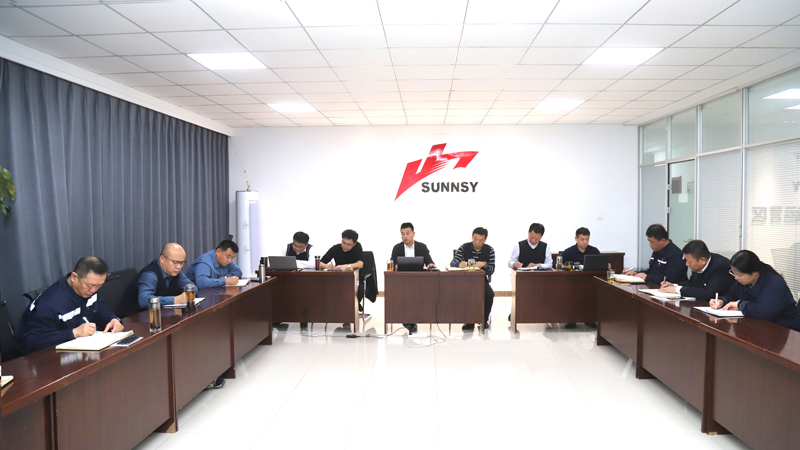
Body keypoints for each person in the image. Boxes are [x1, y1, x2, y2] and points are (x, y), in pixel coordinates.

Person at [15, 257, 124, 355]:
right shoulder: (49, 304)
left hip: (79, 350)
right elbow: (31, 342)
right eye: (89, 285)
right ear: (74, 277)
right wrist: (73, 333)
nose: (93, 290)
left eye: (99, 286)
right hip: (43, 358)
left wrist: (111, 319)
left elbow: (99, 307)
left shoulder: (89, 290)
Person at [710, 250, 800, 331]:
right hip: (757, 326)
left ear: (754, 273)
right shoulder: (742, 281)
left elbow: (763, 311)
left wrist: (740, 305)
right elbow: (731, 294)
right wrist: (722, 301)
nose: (736, 278)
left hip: (784, 329)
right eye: (734, 273)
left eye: (739, 275)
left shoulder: (775, 283)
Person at [119, 243, 190, 318]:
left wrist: (185, 295)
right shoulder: (150, 275)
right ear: (162, 259)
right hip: (133, 318)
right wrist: (175, 300)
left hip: (157, 316)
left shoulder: (175, 272)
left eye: (181, 263)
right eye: (175, 262)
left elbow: (192, 287)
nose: (179, 267)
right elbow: (144, 300)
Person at [390, 222, 436, 334]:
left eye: (408, 233)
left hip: (419, 281)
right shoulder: (397, 248)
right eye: (402, 234)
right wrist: (395, 266)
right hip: (402, 282)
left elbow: (429, 261)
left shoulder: (421, 247)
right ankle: (409, 322)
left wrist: (430, 265)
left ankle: (411, 321)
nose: (405, 236)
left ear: (413, 234)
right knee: (404, 295)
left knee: (415, 295)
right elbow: (393, 263)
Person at [451, 227, 495, 331]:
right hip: (465, 281)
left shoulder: (489, 250)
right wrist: (459, 264)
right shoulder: (464, 247)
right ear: (472, 237)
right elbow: (453, 263)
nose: (477, 242)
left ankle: (484, 320)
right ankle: (468, 321)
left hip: (481, 281)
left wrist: (485, 265)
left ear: (485, 240)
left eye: (480, 240)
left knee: (489, 294)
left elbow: (492, 270)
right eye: (475, 239)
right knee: (465, 293)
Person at [659, 240, 734, 299]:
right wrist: (674, 285)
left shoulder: (721, 265)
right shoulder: (697, 265)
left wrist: (678, 290)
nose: (687, 264)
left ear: (702, 260)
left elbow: (709, 293)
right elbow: (693, 283)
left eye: (689, 262)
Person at [561, 227, 601, 329]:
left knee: (593, 294)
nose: (585, 242)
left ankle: (590, 319)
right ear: (576, 239)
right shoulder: (568, 252)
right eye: (582, 239)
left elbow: (605, 264)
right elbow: (559, 266)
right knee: (571, 295)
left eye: (587, 239)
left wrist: (607, 265)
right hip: (572, 283)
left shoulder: (594, 251)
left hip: (591, 282)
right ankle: (571, 320)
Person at [623, 224, 687, 284]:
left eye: (652, 242)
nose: (650, 245)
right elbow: (652, 271)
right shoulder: (657, 251)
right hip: (655, 286)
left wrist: (647, 277)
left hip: (671, 288)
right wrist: (636, 273)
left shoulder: (676, 254)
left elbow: (670, 279)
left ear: (663, 240)